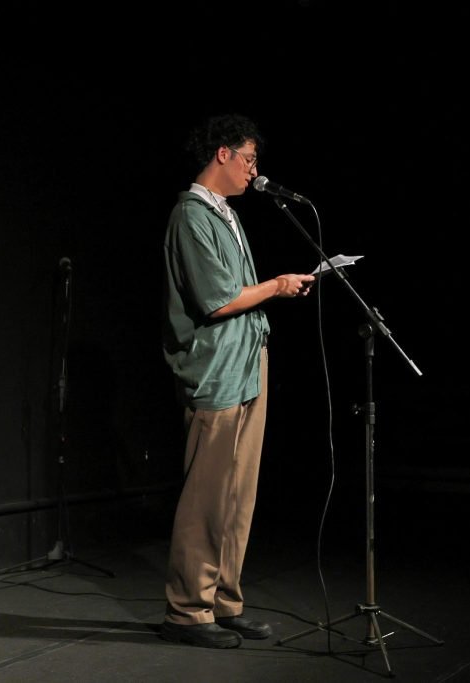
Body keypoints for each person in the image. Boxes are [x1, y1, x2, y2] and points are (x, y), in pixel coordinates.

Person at [160, 114, 314, 649]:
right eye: (248, 159)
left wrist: (276, 288)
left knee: (238, 495)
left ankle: (224, 599)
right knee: (206, 496)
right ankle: (187, 609)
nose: (254, 170)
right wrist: (275, 285)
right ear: (221, 154)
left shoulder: (225, 214)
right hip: (215, 368)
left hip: (248, 364)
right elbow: (218, 298)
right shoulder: (192, 214)